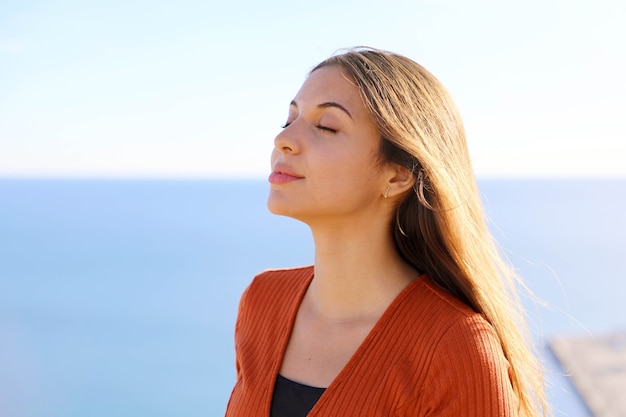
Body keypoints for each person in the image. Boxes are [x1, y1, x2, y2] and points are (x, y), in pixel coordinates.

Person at [225, 47, 549, 417]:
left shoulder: (456, 347)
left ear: (397, 175)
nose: (283, 140)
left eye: (326, 126)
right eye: (289, 120)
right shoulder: (262, 302)